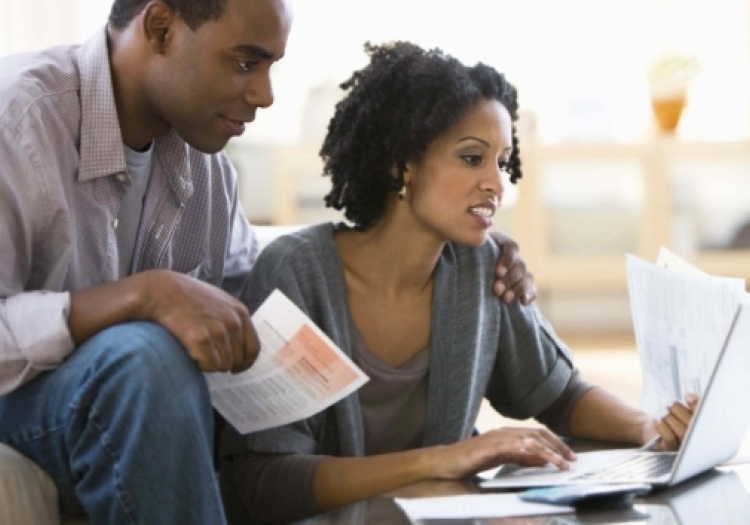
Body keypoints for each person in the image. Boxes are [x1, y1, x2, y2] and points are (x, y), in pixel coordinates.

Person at [0, 1, 535, 523]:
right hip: (24, 400)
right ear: (161, 29)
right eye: (244, 62)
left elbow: (257, 309)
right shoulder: (17, 118)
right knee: (146, 357)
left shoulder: (207, 171)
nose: (265, 94)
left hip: (118, 400)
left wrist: (475, 241)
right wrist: (143, 296)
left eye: (271, 65)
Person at [220, 41, 699, 524]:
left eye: (501, 160)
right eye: (473, 158)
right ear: (400, 163)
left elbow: (560, 395)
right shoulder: (297, 275)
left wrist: (649, 429)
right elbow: (266, 483)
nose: (496, 183)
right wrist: (440, 461)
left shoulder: (481, 266)